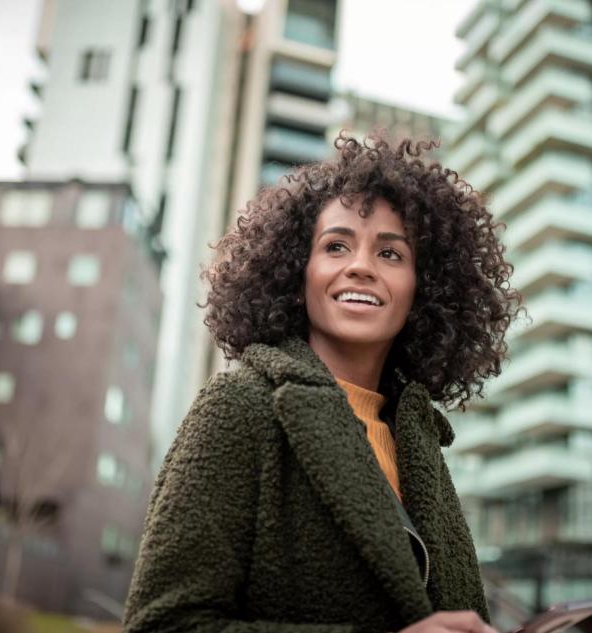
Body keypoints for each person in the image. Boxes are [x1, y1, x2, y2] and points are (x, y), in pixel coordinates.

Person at [122, 132, 520, 633]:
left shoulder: (419, 445)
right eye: (336, 246)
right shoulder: (241, 407)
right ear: (296, 273)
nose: (360, 267)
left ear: (424, 290)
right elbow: (161, 625)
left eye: (391, 254)